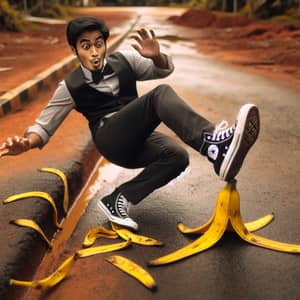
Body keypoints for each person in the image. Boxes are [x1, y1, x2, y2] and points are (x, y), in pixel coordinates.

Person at [0, 16, 260, 231]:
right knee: (160, 95)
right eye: (85, 46)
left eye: (98, 44)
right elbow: (44, 127)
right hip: (110, 138)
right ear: (75, 50)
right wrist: (26, 143)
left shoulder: (125, 60)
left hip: (137, 138)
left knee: (177, 155)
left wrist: (156, 57)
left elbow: (162, 70)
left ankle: (118, 198)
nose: (94, 52)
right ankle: (213, 144)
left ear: (105, 44)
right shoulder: (69, 86)